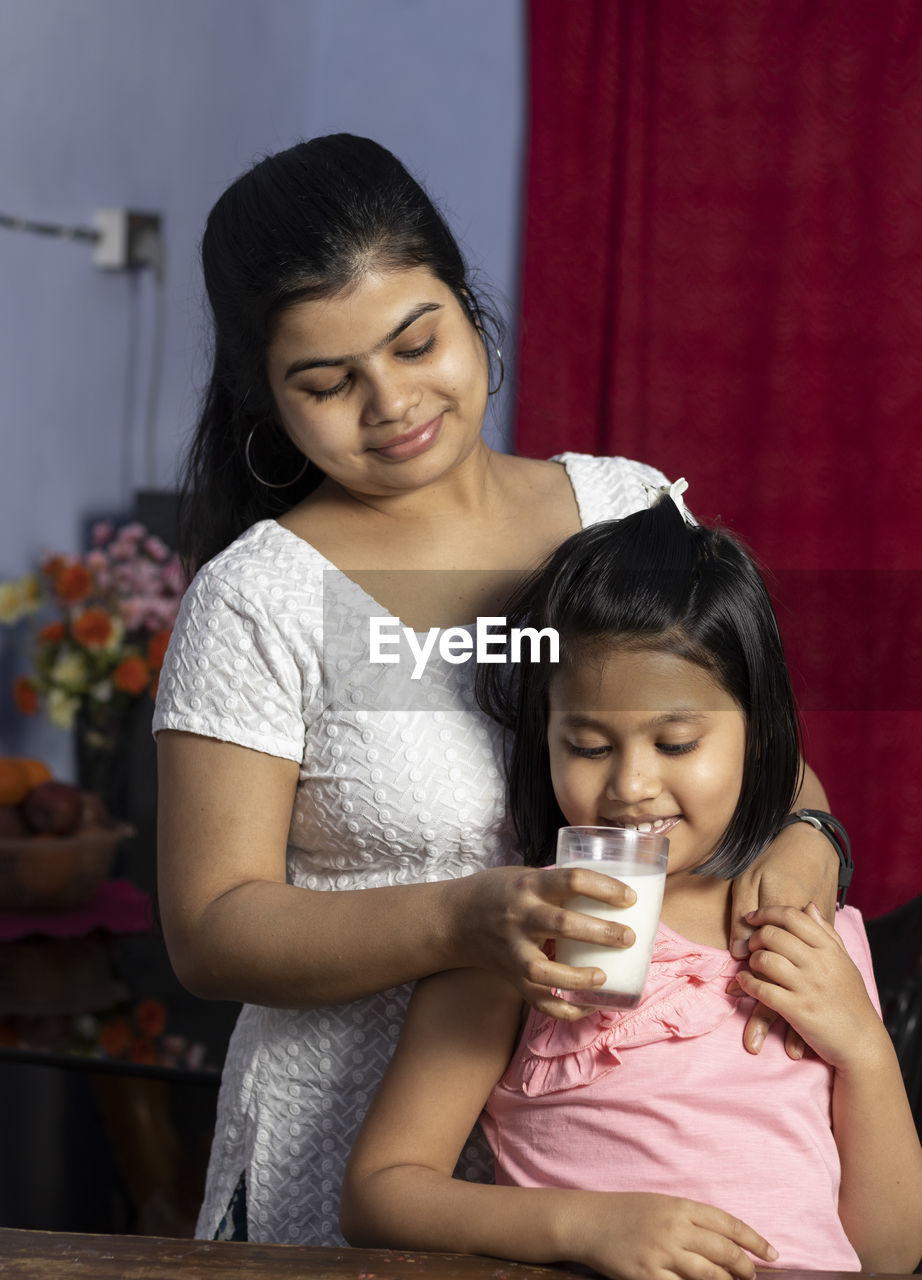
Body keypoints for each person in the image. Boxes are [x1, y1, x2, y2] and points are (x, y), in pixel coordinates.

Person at [153, 134, 842, 1246]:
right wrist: (462, 916)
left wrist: (806, 843)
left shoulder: (619, 507)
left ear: (468, 306)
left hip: (627, 1146)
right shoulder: (259, 598)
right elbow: (209, 929)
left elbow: (755, 761)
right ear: (265, 396)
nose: (390, 403)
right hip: (355, 1160)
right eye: (326, 382)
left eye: (417, 340)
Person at [341, 492, 922, 1277]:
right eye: (586, 745)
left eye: (676, 742)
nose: (632, 786)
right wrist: (585, 1226)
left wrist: (866, 1054)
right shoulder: (521, 935)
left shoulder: (812, 927)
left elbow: (889, 1255)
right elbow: (379, 1196)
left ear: (760, 737)